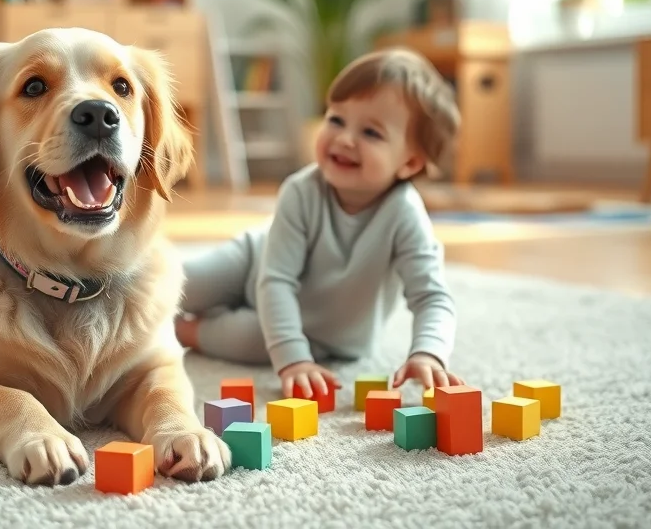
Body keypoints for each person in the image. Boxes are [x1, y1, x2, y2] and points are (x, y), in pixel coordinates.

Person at [176, 48, 467, 400]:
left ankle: (178, 329)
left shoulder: (405, 215)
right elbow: (276, 280)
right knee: (176, 286)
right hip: (253, 263)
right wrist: (293, 360)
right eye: (336, 120)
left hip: (325, 335)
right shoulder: (301, 190)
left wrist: (428, 353)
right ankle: (140, 305)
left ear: (409, 163)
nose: (344, 139)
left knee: (254, 342)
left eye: (371, 133)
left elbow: (432, 297)